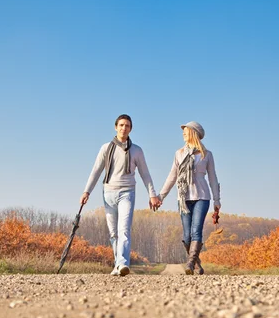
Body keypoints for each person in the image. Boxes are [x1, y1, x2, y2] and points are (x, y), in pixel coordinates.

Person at [80, 114, 160, 277]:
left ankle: (123, 263)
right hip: (108, 192)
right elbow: (96, 171)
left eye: (127, 126)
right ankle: (118, 264)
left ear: (131, 129)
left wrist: (152, 194)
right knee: (113, 233)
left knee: (124, 229)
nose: (124, 128)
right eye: (121, 125)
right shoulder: (105, 148)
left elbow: (145, 174)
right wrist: (86, 191)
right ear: (116, 127)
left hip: (127, 192)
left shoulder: (137, 150)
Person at [157, 121, 221, 275]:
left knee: (196, 231)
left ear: (194, 133)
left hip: (202, 197)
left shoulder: (207, 154)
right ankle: (197, 264)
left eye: (186, 131)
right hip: (183, 198)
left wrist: (217, 200)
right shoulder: (179, 153)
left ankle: (190, 264)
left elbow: (212, 178)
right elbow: (172, 176)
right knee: (186, 236)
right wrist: (161, 196)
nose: (183, 134)